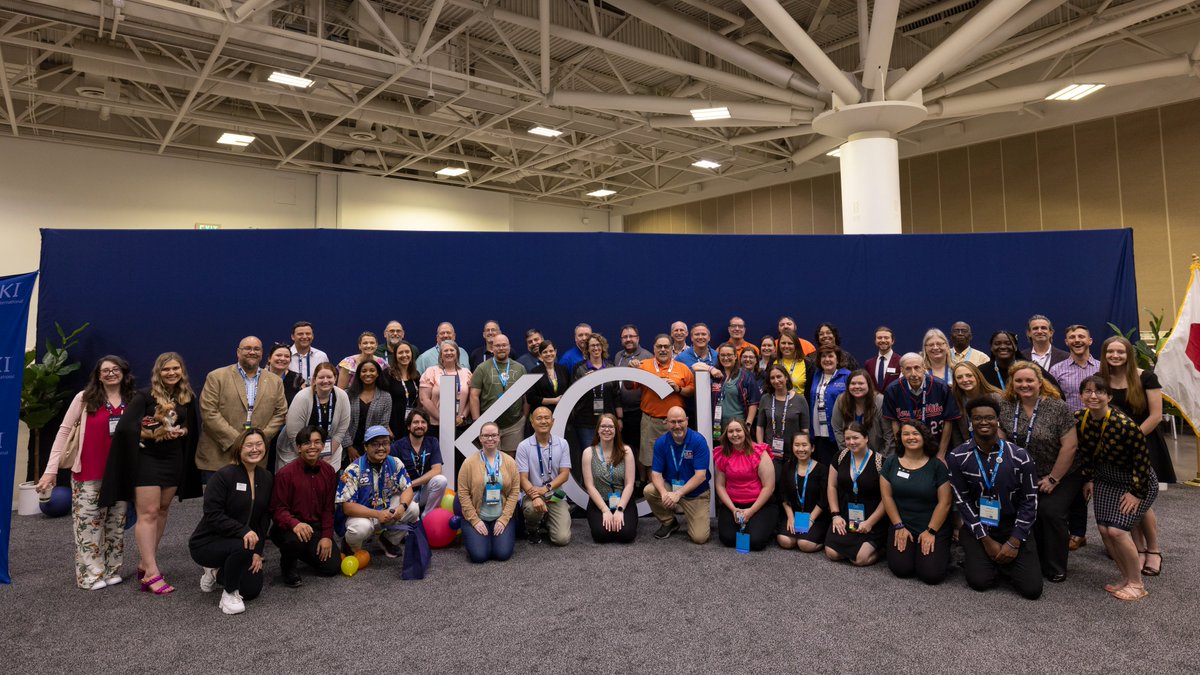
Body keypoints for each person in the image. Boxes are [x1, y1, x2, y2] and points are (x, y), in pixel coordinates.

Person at [99, 352, 201, 595]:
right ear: (158, 372)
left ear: (182, 371)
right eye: (166, 369)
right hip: (147, 460)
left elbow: (190, 428)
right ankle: (153, 573)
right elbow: (125, 428)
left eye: (176, 368)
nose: (171, 373)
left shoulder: (186, 397)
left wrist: (181, 433)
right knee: (149, 512)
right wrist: (152, 435)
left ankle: (146, 563)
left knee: (163, 510)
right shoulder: (144, 395)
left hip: (173, 460)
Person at [39, 356, 134, 591]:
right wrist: (50, 471)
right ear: (98, 375)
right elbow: (63, 433)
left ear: (123, 372)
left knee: (116, 524)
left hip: (121, 474)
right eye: (105, 371)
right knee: (89, 526)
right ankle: (90, 575)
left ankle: (112, 569)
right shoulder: (84, 399)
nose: (110, 373)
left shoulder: (133, 400)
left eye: (115, 369)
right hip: (88, 473)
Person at [948, 398, 1042, 600]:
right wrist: (986, 539)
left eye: (989, 418)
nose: (984, 422)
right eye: (978, 418)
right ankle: (991, 559)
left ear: (998, 420)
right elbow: (961, 501)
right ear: (970, 422)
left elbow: (1030, 501)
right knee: (979, 582)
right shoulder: (957, 457)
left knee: (1032, 590)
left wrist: (1014, 542)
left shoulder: (1020, 456)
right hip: (979, 528)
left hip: (1012, 526)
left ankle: (1003, 560)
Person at [1076, 376, 1158, 601]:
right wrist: (1088, 479)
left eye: (1099, 392)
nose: (1093, 396)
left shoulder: (1124, 424)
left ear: (1109, 397)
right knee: (1104, 530)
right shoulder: (1079, 418)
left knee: (1118, 531)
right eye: (1087, 391)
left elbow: (1142, 461)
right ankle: (1126, 577)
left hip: (1135, 482)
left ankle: (1137, 584)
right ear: (1081, 396)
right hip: (1104, 480)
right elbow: (1085, 455)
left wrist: (1136, 493)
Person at [998, 361, 1079, 583]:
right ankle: (1023, 558)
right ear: (1012, 384)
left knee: (1049, 512)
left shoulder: (1057, 406)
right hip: (1023, 474)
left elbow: (1070, 445)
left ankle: (1054, 566)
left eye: (1029, 380)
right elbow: (1001, 441)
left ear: (1040, 383)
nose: (1024, 385)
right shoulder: (1005, 406)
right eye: (1019, 381)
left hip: (1060, 473)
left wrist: (1053, 478)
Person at [1100, 335, 1172, 574]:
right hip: (1115, 448)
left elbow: (1155, 415)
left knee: (1142, 499)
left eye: (1120, 352)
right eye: (1111, 352)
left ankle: (1153, 551)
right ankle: (1138, 549)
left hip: (1144, 441)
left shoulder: (1146, 377)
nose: (1115, 356)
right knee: (1127, 498)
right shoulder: (1102, 379)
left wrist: (1130, 438)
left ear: (1128, 354)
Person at [189, 428, 273, 614]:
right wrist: (243, 531)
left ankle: (215, 572)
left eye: (259, 444)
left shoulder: (266, 478)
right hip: (207, 543)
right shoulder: (224, 475)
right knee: (242, 547)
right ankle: (229, 594)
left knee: (252, 590)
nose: (255, 449)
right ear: (239, 448)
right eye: (249, 445)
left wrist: (257, 552)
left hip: (244, 542)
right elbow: (212, 514)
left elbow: (263, 518)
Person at [196, 336, 287, 478]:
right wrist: (238, 442)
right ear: (238, 352)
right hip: (220, 454)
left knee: (250, 499)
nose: (252, 352)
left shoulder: (275, 381)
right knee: (218, 499)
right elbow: (209, 411)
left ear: (262, 353)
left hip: (256, 457)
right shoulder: (216, 377)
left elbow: (280, 413)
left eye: (256, 349)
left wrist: (257, 441)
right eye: (247, 348)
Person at [881, 420, 952, 584]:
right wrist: (898, 526)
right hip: (902, 524)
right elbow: (887, 497)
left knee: (931, 575)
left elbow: (945, 502)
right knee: (901, 569)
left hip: (932, 525)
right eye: (906, 434)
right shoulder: (891, 463)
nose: (910, 437)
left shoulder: (937, 466)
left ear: (924, 437)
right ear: (900, 438)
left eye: (915, 433)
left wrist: (931, 531)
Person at [269, 426, 340, 587]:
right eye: (307, 443)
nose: (312, 446)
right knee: (294, 542)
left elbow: (329, 509)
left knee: (332, 567)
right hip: (289, 527)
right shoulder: (285, 474)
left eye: (317, 442)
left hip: (315, 527)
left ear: (323, 446)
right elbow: (277, 510)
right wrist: (295, 524)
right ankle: (288, 566)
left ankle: (302, 551)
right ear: (299, 447)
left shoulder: (329, 471)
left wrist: (326, 536)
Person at [336, 426, 418, 557]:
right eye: (375, 444)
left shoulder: (395, 463)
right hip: (362, 515)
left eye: (385, 443)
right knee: (361, 528)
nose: (381, 448)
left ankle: (388, 541)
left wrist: (402, 507)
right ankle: (350, 546)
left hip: (385, 511)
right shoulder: (353, 469)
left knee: (413, 508)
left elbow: (408, 488)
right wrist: (377, 514)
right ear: (365, 447)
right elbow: (347, 507)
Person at [628, 335, 695, 482]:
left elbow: (691, 390)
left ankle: (675, 492)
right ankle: (655, 495)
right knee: (651, 461)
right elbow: (629, 386)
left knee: (678, 458)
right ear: (654, 348)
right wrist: (630, 371)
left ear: (672, 349)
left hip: (676, 424)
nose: (663, 350)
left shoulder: (682, 368)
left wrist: (678, 389)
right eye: (659, 346)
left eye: (666, 346)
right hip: (651, 422)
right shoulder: (643, 365)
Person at [644, 406, 711, 543]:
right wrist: (663, 493)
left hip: (695, 494)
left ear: (687, 421)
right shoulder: (661, 443)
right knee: (650, 490)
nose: (677, 426)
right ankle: (669, 522)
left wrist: (678, 494)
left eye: (680, 421)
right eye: (673, 422)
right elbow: (656, 474)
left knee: (699, 538)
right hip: (671, 489)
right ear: (666, 423)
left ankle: (692, 516)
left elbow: (700, 476)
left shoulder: (698, 441)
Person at [457, 422, 520, 563]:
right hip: (477, 516)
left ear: (499, 437)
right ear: (480, 438)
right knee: (479, 556)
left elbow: (515, 492)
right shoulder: (469, 463)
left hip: (501, 516)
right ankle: (481, 537)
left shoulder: (509, 462)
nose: (490, 439)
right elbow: (463, 493)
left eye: (493, 435)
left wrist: (504, 520)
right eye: (486, 435)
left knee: (502, 554)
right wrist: (475, 520)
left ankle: (493, 537)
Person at [824, 423, 886, 566]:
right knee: (832, 553)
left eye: (855, 438)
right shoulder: (839, 457)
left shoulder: (880, 462)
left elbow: (886, 498)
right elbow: (831, 486)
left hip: (872, 519)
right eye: (847, 438)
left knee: (860, 560)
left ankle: (882, 550)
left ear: (866, 438)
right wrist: (835, 515)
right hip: (846, 516)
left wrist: (870, 522)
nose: (851, 442)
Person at [713, 418, 776, 551]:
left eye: (738, 430)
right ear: (726, 434)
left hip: (758, 504)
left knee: (755, 542)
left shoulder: (759, 453)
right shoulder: (722, 453)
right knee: (728, 539)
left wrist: (750, 511)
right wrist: (733, 509)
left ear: (745, 432)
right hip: (732, 504)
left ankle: (765, 525)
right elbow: (720, 485)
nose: (734, 434)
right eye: (730, 431)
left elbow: (769, 487)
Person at [881, 353, 961, 459]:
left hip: (937, 446)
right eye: (908, 369)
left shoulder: (940, 387)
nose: (913, 373)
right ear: (902, 371)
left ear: (924, 368)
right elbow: (894, 422)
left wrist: (941, 454)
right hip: (909, 448)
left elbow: (948, 421)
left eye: (917, 368)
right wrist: (903, 451)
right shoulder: (892, 390)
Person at [516, 407, 572, 546]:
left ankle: (548, 519)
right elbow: (522, 478)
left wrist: (546, 488)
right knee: (531, 509)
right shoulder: (524, 446)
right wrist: (535, 496)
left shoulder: (562, 443)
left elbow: (565, 474)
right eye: (539, 418)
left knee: (562, 539)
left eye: (547, 418)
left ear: (552, 422)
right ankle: (532, 529)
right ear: (532, 422)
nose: (543, 421)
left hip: (555, 495)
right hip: (532, 494)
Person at [278, 362, 350, 470]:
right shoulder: (302, 397)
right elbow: (293, 434)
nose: (325, 381)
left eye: (329, 377)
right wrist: (311, 458)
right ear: (314, 379)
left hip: (330, 451)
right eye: (321, 377)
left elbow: (341, 431)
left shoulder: (342, 396)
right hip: (296, 451)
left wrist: (327, 455)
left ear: (335, 378)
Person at [581, 413, 638, 544]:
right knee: (601, 536)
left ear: (616, 430)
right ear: (597, 430)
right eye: (603, 426)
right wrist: (605, 510)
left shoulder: (626, 451)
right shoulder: (588, 453)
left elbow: (630, 484)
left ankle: (621, 519)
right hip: (599, 501)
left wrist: (620, 509)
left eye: (611, 427)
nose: (607, 430)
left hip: (622, 500)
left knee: (626, 535)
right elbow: (589, 486)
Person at [470, 334, 528, 455]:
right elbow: (474, 395)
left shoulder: (520, 368)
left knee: (510, 460)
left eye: (504, 345)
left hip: (514, 424)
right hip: (488, 424)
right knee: (488, 458)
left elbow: (525, 396)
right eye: (497, 345)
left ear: (509, 347)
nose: (501, 348)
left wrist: (524, 418)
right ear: (492, 348)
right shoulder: (482, 368)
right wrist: (476, 420)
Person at [389, 408, 449, 515]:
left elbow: (437, 470)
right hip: (404, 494)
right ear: (408, 426)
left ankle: (426, 515)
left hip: (424, 491)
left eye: (423, 422)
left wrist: (411, 484)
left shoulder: (432, 442)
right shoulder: (397, 446)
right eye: (416, 422)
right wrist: (407, 487)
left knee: (441, 480)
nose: (420, 425)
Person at [776, 434, 829, 552]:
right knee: (785, 540)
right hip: (794, 514)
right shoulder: (787, 467)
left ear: (812, 448)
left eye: (804, 445)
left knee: (805, 544)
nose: (800, 449)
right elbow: (783, 495)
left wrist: (811, 519)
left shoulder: (822, 469)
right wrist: (790, 517)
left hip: (816, 516)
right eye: (797, 445)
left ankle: (822, 539)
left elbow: (823, 500)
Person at [571, 333, 621, 450]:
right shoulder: (579, 368)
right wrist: (584, 382)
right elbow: (573, 395)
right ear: (587, 349)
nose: (595, 348)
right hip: (585, 422)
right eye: (592, 345)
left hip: (608, 421)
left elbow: (617, 395)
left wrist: (619, 419)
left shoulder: (610, 367)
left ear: (602, 347)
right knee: (590, 454)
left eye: (598, 345)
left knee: (609, 454)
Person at [342, 360, 393, 467]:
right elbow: (342, 423)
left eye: (372, 370)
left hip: (373, 448)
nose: (368, 374)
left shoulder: (386, 397)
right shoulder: (347, 395)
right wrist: (349, 447)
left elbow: (383, 425)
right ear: (359, 375)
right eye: (364, 371)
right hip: (348, 449)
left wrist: (370, 449)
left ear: (378, 373)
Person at [755, 364, 810, 463]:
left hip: (795, 452)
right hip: (770, 452)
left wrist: (803, 449)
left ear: (786, 377)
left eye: (779, 376)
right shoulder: (765, 399)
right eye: (772, 378)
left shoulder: (800, 399)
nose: (776, 381)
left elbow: (805, 429)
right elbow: (760, 426)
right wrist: (761, 448)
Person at [418, 340, 471, 441]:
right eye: (445, 351)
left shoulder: (466, 372)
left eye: (452, 350)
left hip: (459, 425)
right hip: (435, 425)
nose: (449, 353)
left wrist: (463, 417)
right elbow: (424, 399)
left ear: (457, 353)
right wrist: (442, 418)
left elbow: (471, 399)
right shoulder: (431, 371)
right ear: (441, 355)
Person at [832, 369, 893, 456]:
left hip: (878, 454)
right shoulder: (841, 400)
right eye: (853, 383)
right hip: (851, 455)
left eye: (861, 383)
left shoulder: (880, 401)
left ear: (868, 385)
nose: (856, 386)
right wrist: (847, 454)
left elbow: (889, 435)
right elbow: (837, 429)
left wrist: (882, 460)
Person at [806, 346, 851, 465]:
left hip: (838, 431)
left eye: (831, 356)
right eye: (823, 356)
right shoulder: (816, 375)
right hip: (818, 432)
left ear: (838, 359)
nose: (827, 359)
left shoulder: (846, 376)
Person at [614, 324, 652, 453]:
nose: (628, 339)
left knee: (640, 447)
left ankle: (640, 474)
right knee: (624, 446)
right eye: (625, 337)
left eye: (631, 336)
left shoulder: (647, 356)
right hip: (621, 410)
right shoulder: (618, 356)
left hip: (639, 411)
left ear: (638, 338)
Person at [948, 361, 1003, 448]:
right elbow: (956, 435)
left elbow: (1005, 428)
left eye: (969, 375)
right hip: (969, 450)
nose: (965, 380)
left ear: (977, 376)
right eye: (959, 377)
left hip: (997, 448)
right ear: (955, 381)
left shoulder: (996, 397)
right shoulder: (955, 400)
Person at [711, 343, 760, 441]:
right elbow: (696, 366)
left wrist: (748, 425)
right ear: (718, 357)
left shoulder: (746, 376)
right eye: (723, 355)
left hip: (739, 427)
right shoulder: (714, 375)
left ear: (735, 356)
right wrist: (710, 369)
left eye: (729, 355)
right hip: (718, 426)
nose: (726, 358)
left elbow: (754, 403)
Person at [1048, 324, 1100, 413]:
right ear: (1066, 342)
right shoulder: (1056, 370)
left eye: (1081, 336)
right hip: (1068, 424)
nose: (1077, 340)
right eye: (1072, 337)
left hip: (1097, 422)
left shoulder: (1102, 368)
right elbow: (1051, 400)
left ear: (1090, 341)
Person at [526, 340, 572, 417]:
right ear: (540, 355)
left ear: (555, 351)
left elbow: (569, 391)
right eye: (545, 352)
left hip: (562, 414)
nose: (548, 354)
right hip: (543, 415)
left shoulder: (563, 369)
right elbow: (530, 398)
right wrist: (553, 401)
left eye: (551, 351)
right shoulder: (534, 372)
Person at [383, 341, 420, 434]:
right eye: (400, 352)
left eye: (407, 352)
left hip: (411, 423)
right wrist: (386, 426)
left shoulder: (416, 375)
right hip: (393, 423)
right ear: (395, 355)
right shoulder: (387, 374)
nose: (404, 355)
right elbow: (381, 402)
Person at [772, 329, 811, 394]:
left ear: (796, 345)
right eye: (783, 343)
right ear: (778, 345)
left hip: (800, 403)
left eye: (790, 343)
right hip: (777, 402)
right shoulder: (773, 362)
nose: (786, 346)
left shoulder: (808, 364)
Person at [865, 326, 900, 391]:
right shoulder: (869, 363)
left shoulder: (901, 361)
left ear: (892, 341)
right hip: (874, 400)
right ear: (875, 341)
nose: (883, 340)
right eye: (879, 338)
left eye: (886, 338)